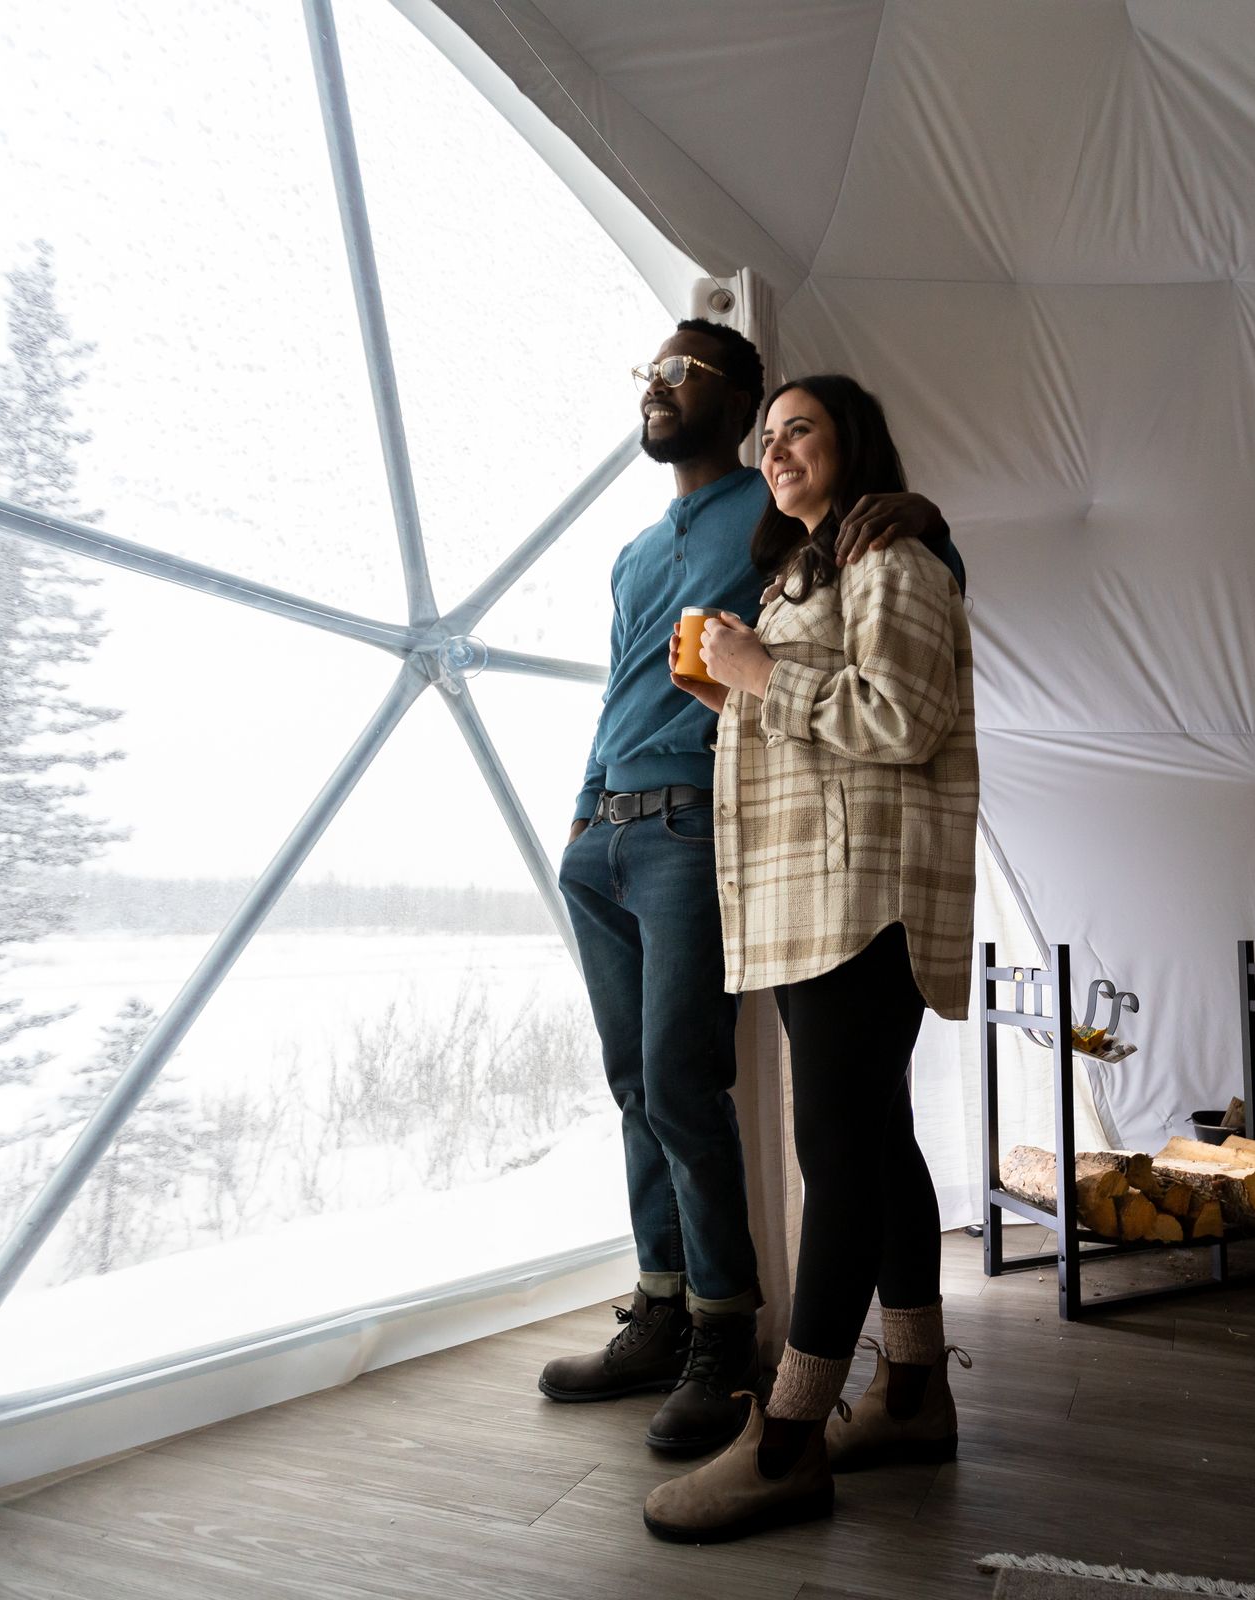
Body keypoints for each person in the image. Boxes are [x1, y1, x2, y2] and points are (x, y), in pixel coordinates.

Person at [541, 322, 964, 1460]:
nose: (657, 385)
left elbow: (902, 616)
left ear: (738, 397)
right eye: (649, 371)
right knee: (643, 1086)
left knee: (701, 1089)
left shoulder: (797, 531)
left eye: (682, 372)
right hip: (614, 829)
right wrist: (583, 807)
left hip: (738, 843)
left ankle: (743, 1360)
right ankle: (669, 1308)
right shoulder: (658, 554)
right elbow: (629, 683)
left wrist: (920, 513)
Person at [643, 374, 977, 1541]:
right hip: (811, 900)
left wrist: (759, 676)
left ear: (853, 444)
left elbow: (903, 719)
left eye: (801, 430)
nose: (777, 448)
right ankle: (915, 1393)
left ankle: (786, 1442)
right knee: (877, 1143)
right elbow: (821, 727)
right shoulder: (808, 573)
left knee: (836, 1160)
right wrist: (730, 690)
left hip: (860, 900)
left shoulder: (894, 559)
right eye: (770, 435)